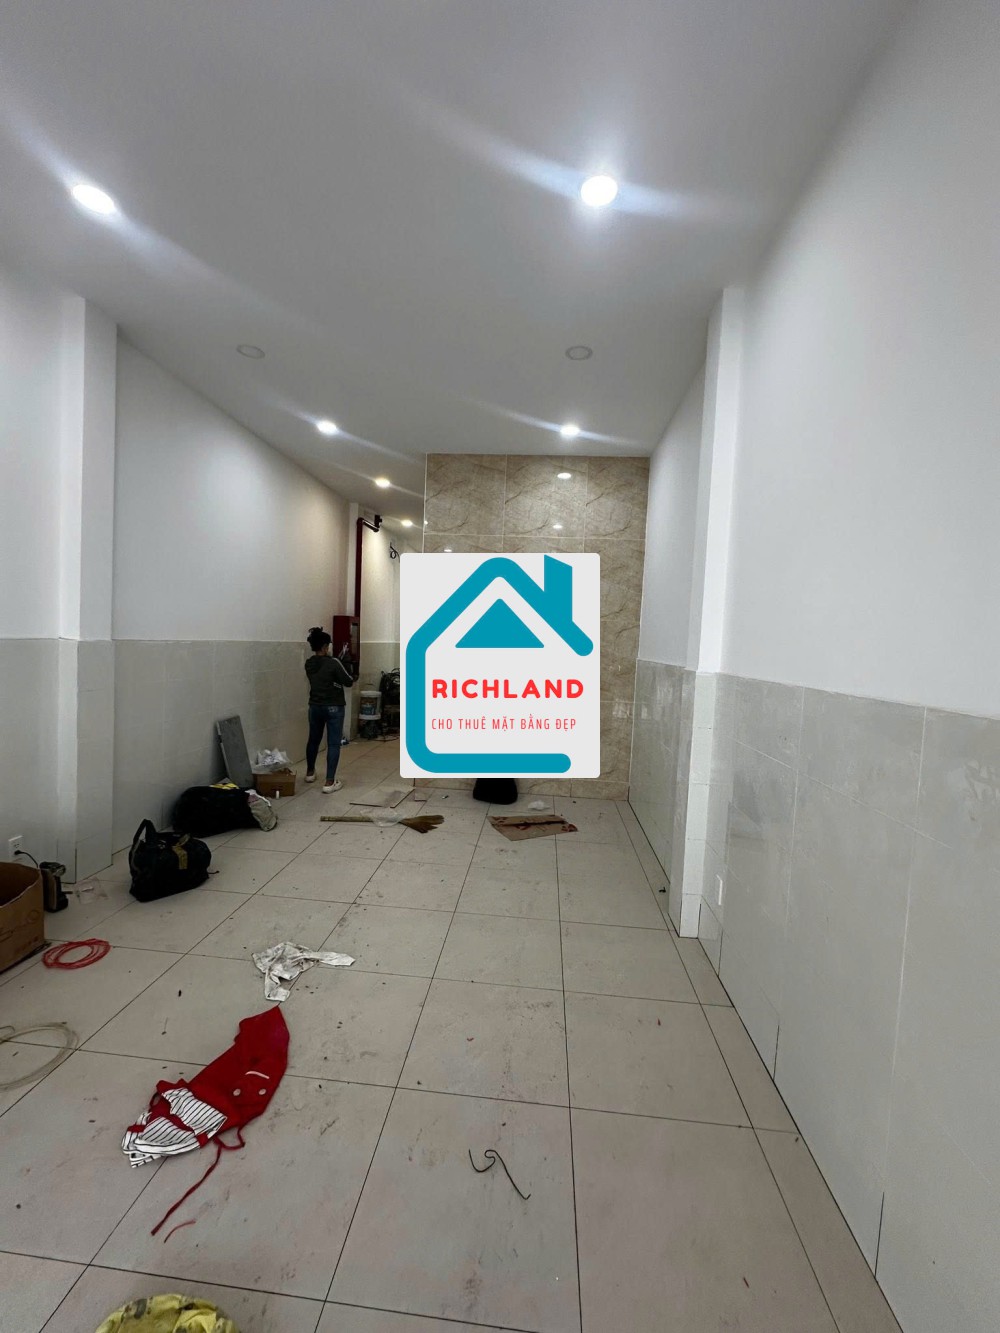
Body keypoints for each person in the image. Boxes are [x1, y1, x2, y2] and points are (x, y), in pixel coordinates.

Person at [304, 627, 354, 792]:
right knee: (333, 744)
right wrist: (346, 663)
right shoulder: (334, 663)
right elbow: (349, 681)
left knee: (313, 740)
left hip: (315, 706)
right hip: (334, 707)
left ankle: (310, 773)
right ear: (325, 646)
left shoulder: (309, 663)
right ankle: (329, 782)